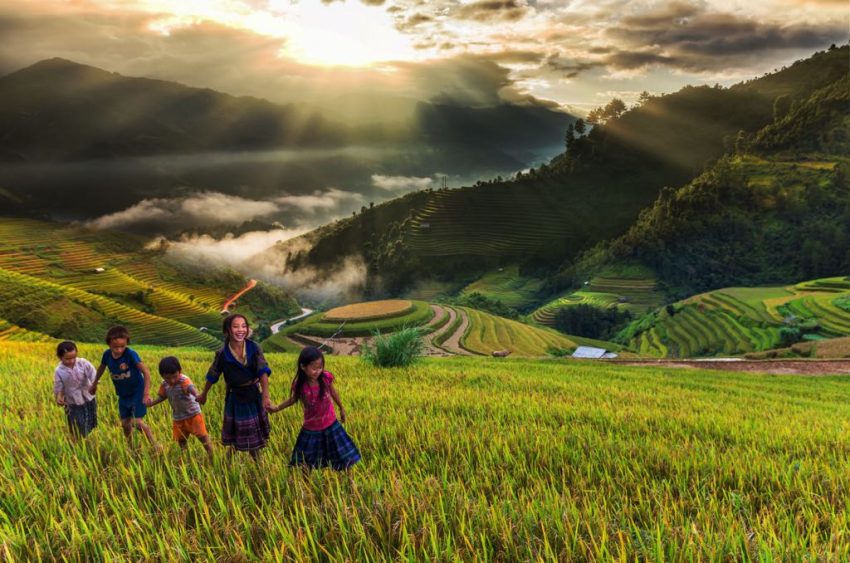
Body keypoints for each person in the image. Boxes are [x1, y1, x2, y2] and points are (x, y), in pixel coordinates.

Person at [269, 346, 360, 470]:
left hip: (331, 423)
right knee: (306, 461)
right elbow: (293, 399)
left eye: (320, 367)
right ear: (303, 367)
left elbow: (333, 393)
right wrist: (277, 408)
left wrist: (341, 408)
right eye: (314, 368)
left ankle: (348, 479)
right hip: (312, 427)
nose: (318, 371)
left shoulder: (325, 378)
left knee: (341, 455)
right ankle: (307, 482)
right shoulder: (300, 385)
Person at [197, 314, 272, 461]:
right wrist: (203, 394)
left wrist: (265, 396)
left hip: (252, 394)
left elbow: (262, 371)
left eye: (244, 326)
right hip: (236, 396)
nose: (241, 330)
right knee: (239, 432)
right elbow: (213, 374)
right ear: (227, 331)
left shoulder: (254, 348)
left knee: (251, 434)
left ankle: (257, 464)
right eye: (236, 326)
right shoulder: (222, 354)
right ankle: (231, 462)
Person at [90, 326, 159, 450]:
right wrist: (94, 383)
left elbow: (146, 373)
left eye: (122, 346)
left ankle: (155, 444)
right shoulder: (107, 355)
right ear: (109, 344)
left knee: (136, 422)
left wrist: (146, 394)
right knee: (125, 424)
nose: (119, 350)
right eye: (115, 347)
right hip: (123, 394)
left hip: (137, 391)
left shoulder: (130, 354)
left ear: (126, 344)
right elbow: (101, 368)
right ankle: (131, 446)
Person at [149, 356, 213, 459]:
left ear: (180, 371)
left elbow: (190, 388)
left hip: (193, 415)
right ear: (162, 376)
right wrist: (152, 403)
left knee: (202, 437)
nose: (172, 380)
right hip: (178, 417)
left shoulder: (184, 380)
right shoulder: (164, 384)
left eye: (175, 376)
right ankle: (185, 458)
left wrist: (197, 395)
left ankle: (212, 457)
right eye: (168, 378)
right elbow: (162, 396)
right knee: (181, 440)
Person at [53, 341, 98, 440]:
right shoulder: (59, 371)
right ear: (60, 357)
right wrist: (59, 397)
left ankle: (87, 437)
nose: (72, 361)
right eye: (68, 359)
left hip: (88, 396)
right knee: (77, 422)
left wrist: (94, 384)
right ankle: (78, 439)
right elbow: (59, 386)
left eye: (74, 357)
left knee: (90, 419)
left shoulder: (83, 363)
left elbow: (93, 373)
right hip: (72, 401)